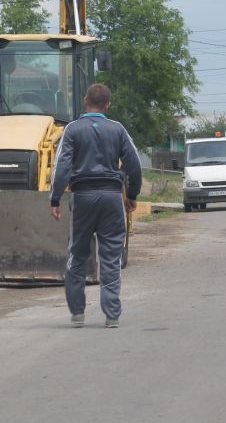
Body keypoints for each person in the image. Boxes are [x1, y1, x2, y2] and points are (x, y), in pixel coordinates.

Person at [50, 83, 142, 328]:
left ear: (84, 100)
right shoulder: (118, 129)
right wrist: (131, 195)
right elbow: (134, 165)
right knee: (111, 256)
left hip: (83, 198)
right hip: (112, 198)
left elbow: (62, 167)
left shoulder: (72, 130)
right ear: (108, 104)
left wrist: (55, 198)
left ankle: (78, 313)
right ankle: (112, 315)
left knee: (77, 254)